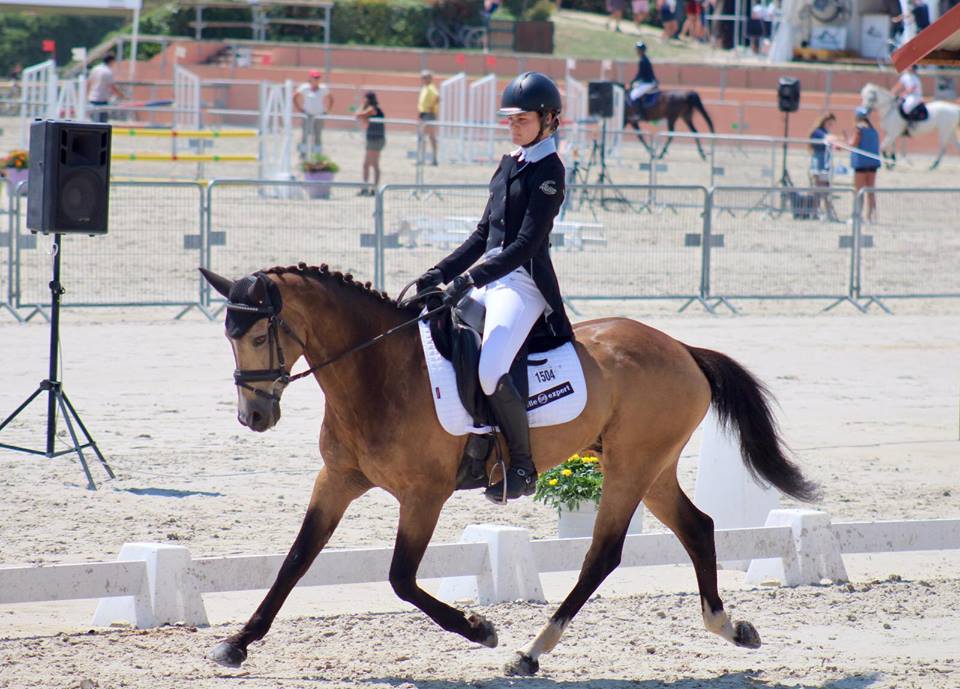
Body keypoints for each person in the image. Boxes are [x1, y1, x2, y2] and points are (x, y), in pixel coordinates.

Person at [415, 72, 573, 504]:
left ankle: (522, 465)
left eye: (522, 119)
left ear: (549, 120)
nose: (513, 125)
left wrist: (470, 279)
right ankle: (473, 442)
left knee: (490, 368)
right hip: (490, 277)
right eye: (510, 119)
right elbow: (484, 235)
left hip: (523, 285)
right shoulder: (509, 163)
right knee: (437, 335)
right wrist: (441, 272)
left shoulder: (550, 171)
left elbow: (524, 246)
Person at [848, 106, 881, 223]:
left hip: (861, 164)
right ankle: (871, 216)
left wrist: (846, 141)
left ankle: (857, 215)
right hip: (873, 164)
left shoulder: (859, 129)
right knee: (870, 191)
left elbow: (853, 144)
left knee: (858, 190)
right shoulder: (873, 130)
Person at [294, 70, 334, 160]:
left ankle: (317, 155)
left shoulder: (323, 88)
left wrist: (328, 110)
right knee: (305, 134)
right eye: (315, 78)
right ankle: (303, 154)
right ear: (310, 78)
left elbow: (331, 98)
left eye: (318, 78)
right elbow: (295, 96)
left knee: (318, 135)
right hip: (307, 115)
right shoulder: (304, 87)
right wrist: (299, 109)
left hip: (319, 115)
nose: (316, 79)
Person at [355, 91, 385, 196]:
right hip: (372, 139)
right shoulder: (373, 109)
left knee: (374, 164)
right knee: (366, 165)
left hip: (375, 139)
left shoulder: (372, 109)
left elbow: (358, 114)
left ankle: (374, 189)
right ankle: (366, 188)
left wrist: (363, 105)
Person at [809, 112, 838, 219]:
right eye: (830, 123)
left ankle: (827, 211)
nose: (831, 126)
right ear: (825, 122)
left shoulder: (824, 132)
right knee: (819, 187)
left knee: (825, 187)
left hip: (825, 163)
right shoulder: (817, 132)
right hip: (818, 163)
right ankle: (814, 211)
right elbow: (829, 138)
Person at [87, 54, 123, 124]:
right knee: (102, 124)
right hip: (102, 100)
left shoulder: (95, 69)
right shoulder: (108, 72)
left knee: (93, 123)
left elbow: (89, 82)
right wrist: (121, 96)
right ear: (111, 61)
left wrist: (87, 95)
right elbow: (112, 87)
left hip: (92, 98)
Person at [417, 70, 440, 166]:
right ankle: (425, 158)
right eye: (422, 77)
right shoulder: (425, 88)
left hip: (428, 115)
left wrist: (430, 109)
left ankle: (429, 159)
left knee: (427, 137)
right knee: (426, 137)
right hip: (424, 114)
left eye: (425, 77)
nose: (423, 79)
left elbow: (437, 98)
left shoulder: (431, 88)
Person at [629, 42, 658, 115]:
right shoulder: (645, 59)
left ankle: (638, 114)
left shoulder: (643, 60)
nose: (637, 51)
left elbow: (640, 74)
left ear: (641, 50)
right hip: (647, 81)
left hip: (648, 82)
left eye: (638, 49)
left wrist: (633, 81)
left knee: (633, 95)